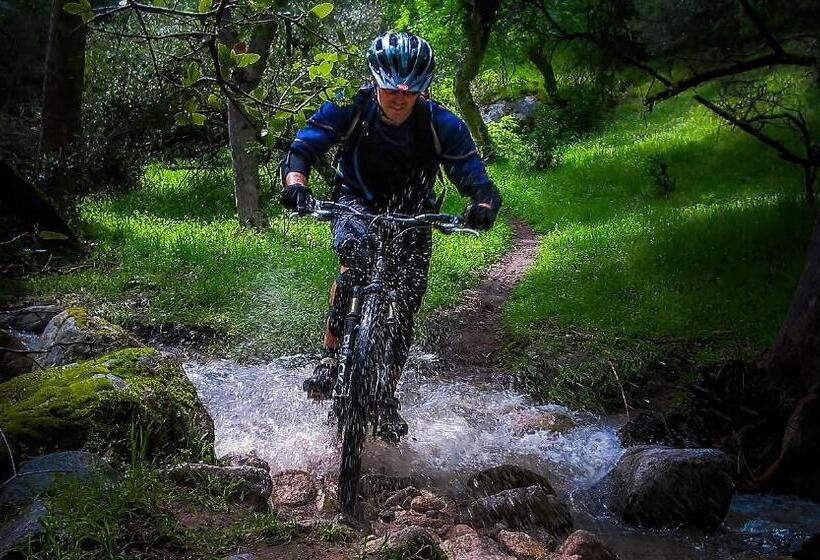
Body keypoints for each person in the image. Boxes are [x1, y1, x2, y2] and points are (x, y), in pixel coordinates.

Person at [280, 31, 501, 437]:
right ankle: (330, 358)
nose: (399, 99)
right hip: (355, 203)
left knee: (406, 302)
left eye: (409, 92)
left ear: (422, 89)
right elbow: (301, 151)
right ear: (375, 80)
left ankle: (386, 397)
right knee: (353, 262)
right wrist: (296, 184)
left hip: (414, 215)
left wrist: (482, 207)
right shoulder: (350, 107)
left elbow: (478, 181)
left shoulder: (441, 124)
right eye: (390, 89)